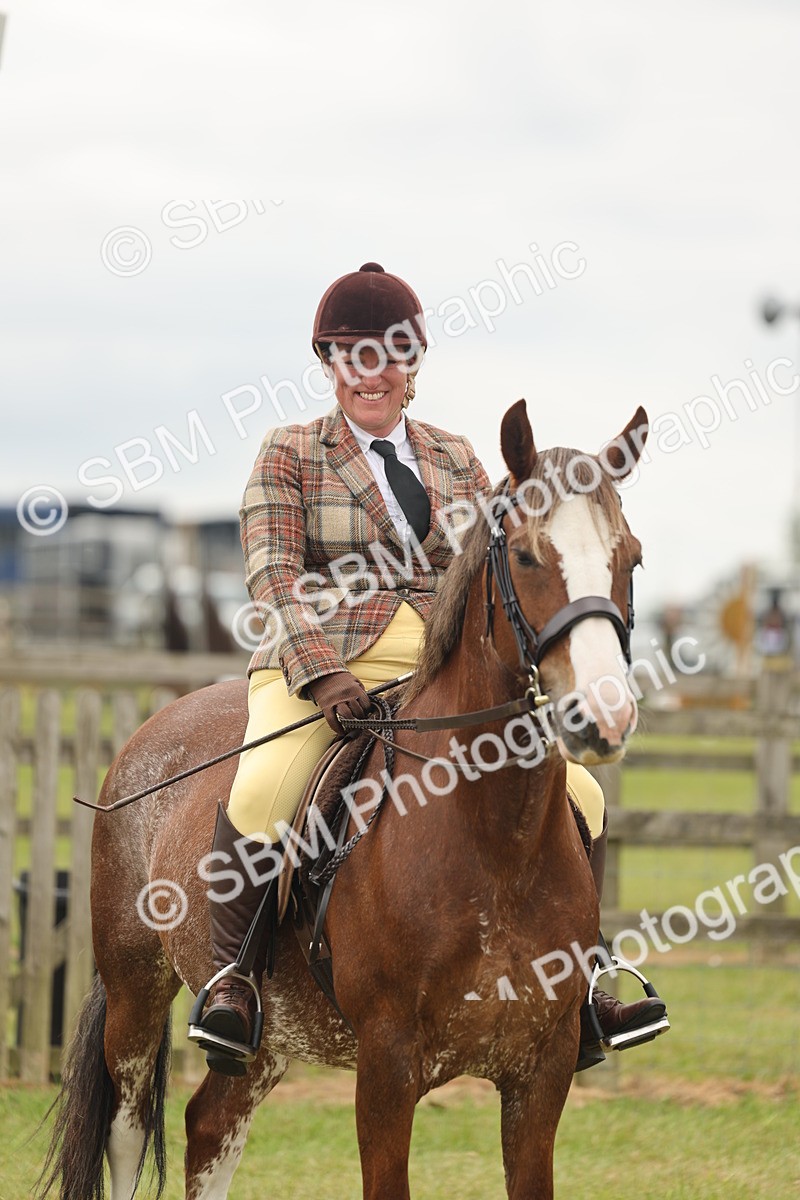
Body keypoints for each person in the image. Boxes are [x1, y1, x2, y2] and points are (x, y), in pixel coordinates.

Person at [190, 262, 667, 1074]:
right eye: (350, 354)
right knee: (264, 785)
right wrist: (320, 673)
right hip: (325, 665)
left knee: (578, 791)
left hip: (435, 665)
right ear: (329, 364)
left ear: (413, 365)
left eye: (389, 353)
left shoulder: (455, 454)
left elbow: (492, 565)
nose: (370, 370)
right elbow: (273, 577)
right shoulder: (291, 454)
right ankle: (235, 982)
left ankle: (582, 980)